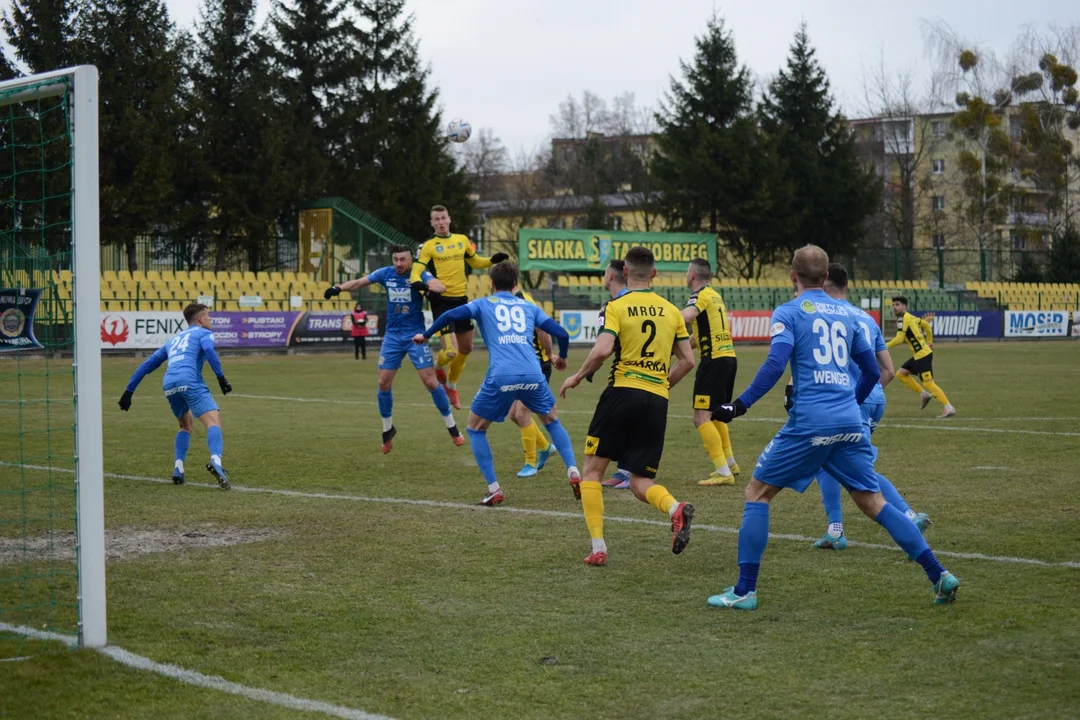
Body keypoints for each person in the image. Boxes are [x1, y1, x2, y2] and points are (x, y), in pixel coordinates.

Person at [707, 245, 959, 610]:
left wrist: (739, 404)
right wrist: (849, 404)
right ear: (826, 277)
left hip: (810, 420)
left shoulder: (789, 312)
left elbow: (777, 364)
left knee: (756, 494)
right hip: (851, 419)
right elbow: (874, 371)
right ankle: (940, 575)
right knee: (873, 501)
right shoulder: (848, 313)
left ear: (793, 276)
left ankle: (745, 591)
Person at [560, 247, 697, 567]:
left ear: (624, 272)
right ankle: (675, 508)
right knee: (639, 481)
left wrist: (578, 377)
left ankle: (598, 547)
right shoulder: (671, 311)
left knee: (592, 471)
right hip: (656, 400)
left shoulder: (617, 306)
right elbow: (688, 360)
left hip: (622, 392)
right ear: (654, 273)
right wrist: (661, 385)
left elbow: (603, 350)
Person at [413, 262, 581, 506]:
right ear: (516, 284)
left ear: (492, 284)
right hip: (533, 372)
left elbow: (450, 315)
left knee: (475, 428)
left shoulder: (483, 304)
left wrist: (426, 335)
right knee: (552, 421)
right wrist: (562, 357)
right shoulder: (528, 306)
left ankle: (494, 488)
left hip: (502, 374)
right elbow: (562, 334)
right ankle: (574, 471)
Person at [804, 264, 931, 550]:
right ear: (847, 287)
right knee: (847, 463)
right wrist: (870, 395)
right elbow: (885, 371)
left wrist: (849, 402)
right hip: (874, 398)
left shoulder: (827, 316)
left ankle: (843, 529)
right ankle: (901, 516)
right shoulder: (866, 318)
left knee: (836, 465)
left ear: (824, 286)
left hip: (848, 399)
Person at [324, 244, 463, 454]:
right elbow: (360, 282)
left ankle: (452, 427)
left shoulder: (419, 272)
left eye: (403, 259)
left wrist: (425, 286)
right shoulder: (385, 273)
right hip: (392, 336)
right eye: (396, 259)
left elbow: (439, 286)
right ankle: (387, 430)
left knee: (430, 381)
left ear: (410, 260)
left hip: (415, 335)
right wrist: (338, 288)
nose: (399, 263)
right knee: (383, 382)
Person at [118, 302, 233, 489]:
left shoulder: (173, 340)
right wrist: (221, 377)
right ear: (201, 319)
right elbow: (210, 350)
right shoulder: (204, 333)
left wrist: (129, 391)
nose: (211, 319)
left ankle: (178, 469)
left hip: (169, 383)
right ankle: (216, 463)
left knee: (185, 426)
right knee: (213, 421)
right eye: (209, 316)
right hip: (189, 380)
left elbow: (147, 365)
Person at [409, 205, 509, 410]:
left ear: (449, 219)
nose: (440, 222)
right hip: (441, 301)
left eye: (443, 218)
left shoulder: (461, 240)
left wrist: (491, 260)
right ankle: (438, 366)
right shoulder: (428, 246)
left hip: (461, 300)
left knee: (467, 348)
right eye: (436, 219)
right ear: (431, 223)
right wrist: (419, 284)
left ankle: (452, 385)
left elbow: (476, 262)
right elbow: (416, 271)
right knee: (452, 352)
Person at [680, 258, 739, 486]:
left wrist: (664, 320)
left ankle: (723, 472)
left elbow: (685, 316)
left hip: (713, 361)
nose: (686, 276)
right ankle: (730, 463)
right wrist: (682, 348)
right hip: (728, 359)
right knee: (714, 414)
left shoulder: (699, 296)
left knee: (700, 417)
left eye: (687, 273)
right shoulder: (715, 295)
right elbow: (701, 335)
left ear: (692, 275)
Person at [585, 259, 634, 490]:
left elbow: (604, 347)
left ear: (612, 276)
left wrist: (584, 371)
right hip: (652, 374)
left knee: (615, 421)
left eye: (605, 273)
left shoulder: (613, 306)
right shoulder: (638, 301)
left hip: (627, 377)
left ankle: (626, 471)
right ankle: (625, 470)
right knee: (630, 421)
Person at [509, 285, 556, 478]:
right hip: (524, 366)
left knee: (521, 413)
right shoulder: (512, 302)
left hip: (537, 367)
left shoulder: (524, 301)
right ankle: (545, 447)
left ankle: (530, 463)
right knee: (512, 413)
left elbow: (542, 331)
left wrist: (550, 354)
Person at [887, 296, 956, 418]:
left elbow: (899, 339)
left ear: (904, 306)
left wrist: (883, 346)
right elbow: (926, 325)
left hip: (922, 356)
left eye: (897, 305)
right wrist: (929, 341)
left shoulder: (903, 319)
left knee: (929, 383)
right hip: (920, 355)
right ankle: (924, 395)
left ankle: (948, 407)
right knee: (901, 374)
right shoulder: (911, 317)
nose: (894, 307)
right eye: (893, 305)